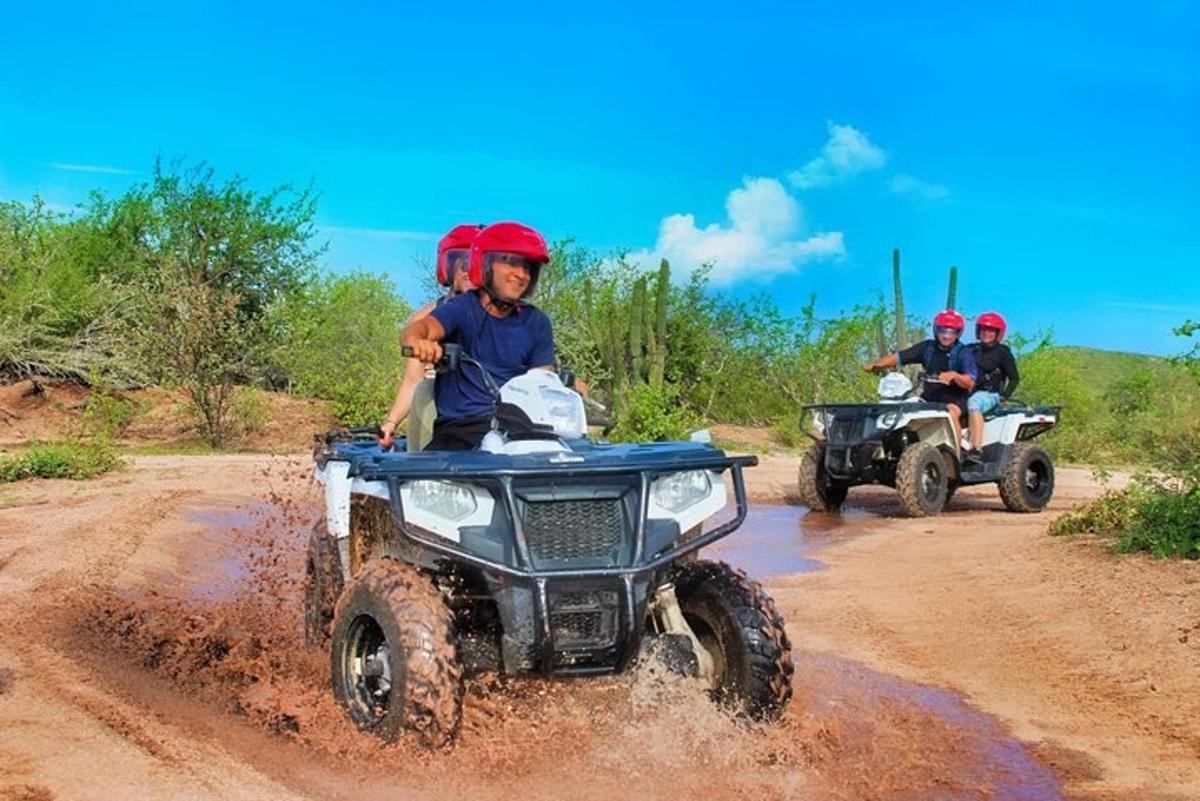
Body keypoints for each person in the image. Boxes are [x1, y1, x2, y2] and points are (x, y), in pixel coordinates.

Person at [402, 221, 557, 450]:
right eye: (511, 262)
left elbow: (543, 382)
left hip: (522, 430)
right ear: (485, 263)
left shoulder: (537, 322)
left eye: (528, 267)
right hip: (463, 429)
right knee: (434, 477)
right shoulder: (461, 308)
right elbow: (422, 328)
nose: (521, 274)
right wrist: (418, 341)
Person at [379, 224, 484, 448]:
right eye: (464, 263)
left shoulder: (504, 318)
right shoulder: (426, 318)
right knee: (425, 391)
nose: (469, 271)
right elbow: (413, 380)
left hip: (487, 409)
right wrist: (391, 422)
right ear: (449, 267)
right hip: (441, 409)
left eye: (477, 264)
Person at [862, 309, 978, 447]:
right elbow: (900, 357)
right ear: (936, 330)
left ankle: (955, 456)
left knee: (950, 414)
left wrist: (954, 376)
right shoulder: (927, 348)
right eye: (943, 331)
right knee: (899, 412)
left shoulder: (963, 352)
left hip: (955, 400)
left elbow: (970, 382)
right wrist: (876, 364)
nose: (946, 336)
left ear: (958, 333)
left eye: (951, 332)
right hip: (928, 397)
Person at [965, 311, 1019, 459]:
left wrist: (1004, 396)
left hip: (990, 394)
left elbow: (1014, 378)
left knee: (974, 403)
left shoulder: (1002, 352)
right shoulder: (970, 349)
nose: (986, 333)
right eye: (983, 329)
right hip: (967, 391)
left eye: (991, 330)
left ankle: (976, 448)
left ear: (998, 333)